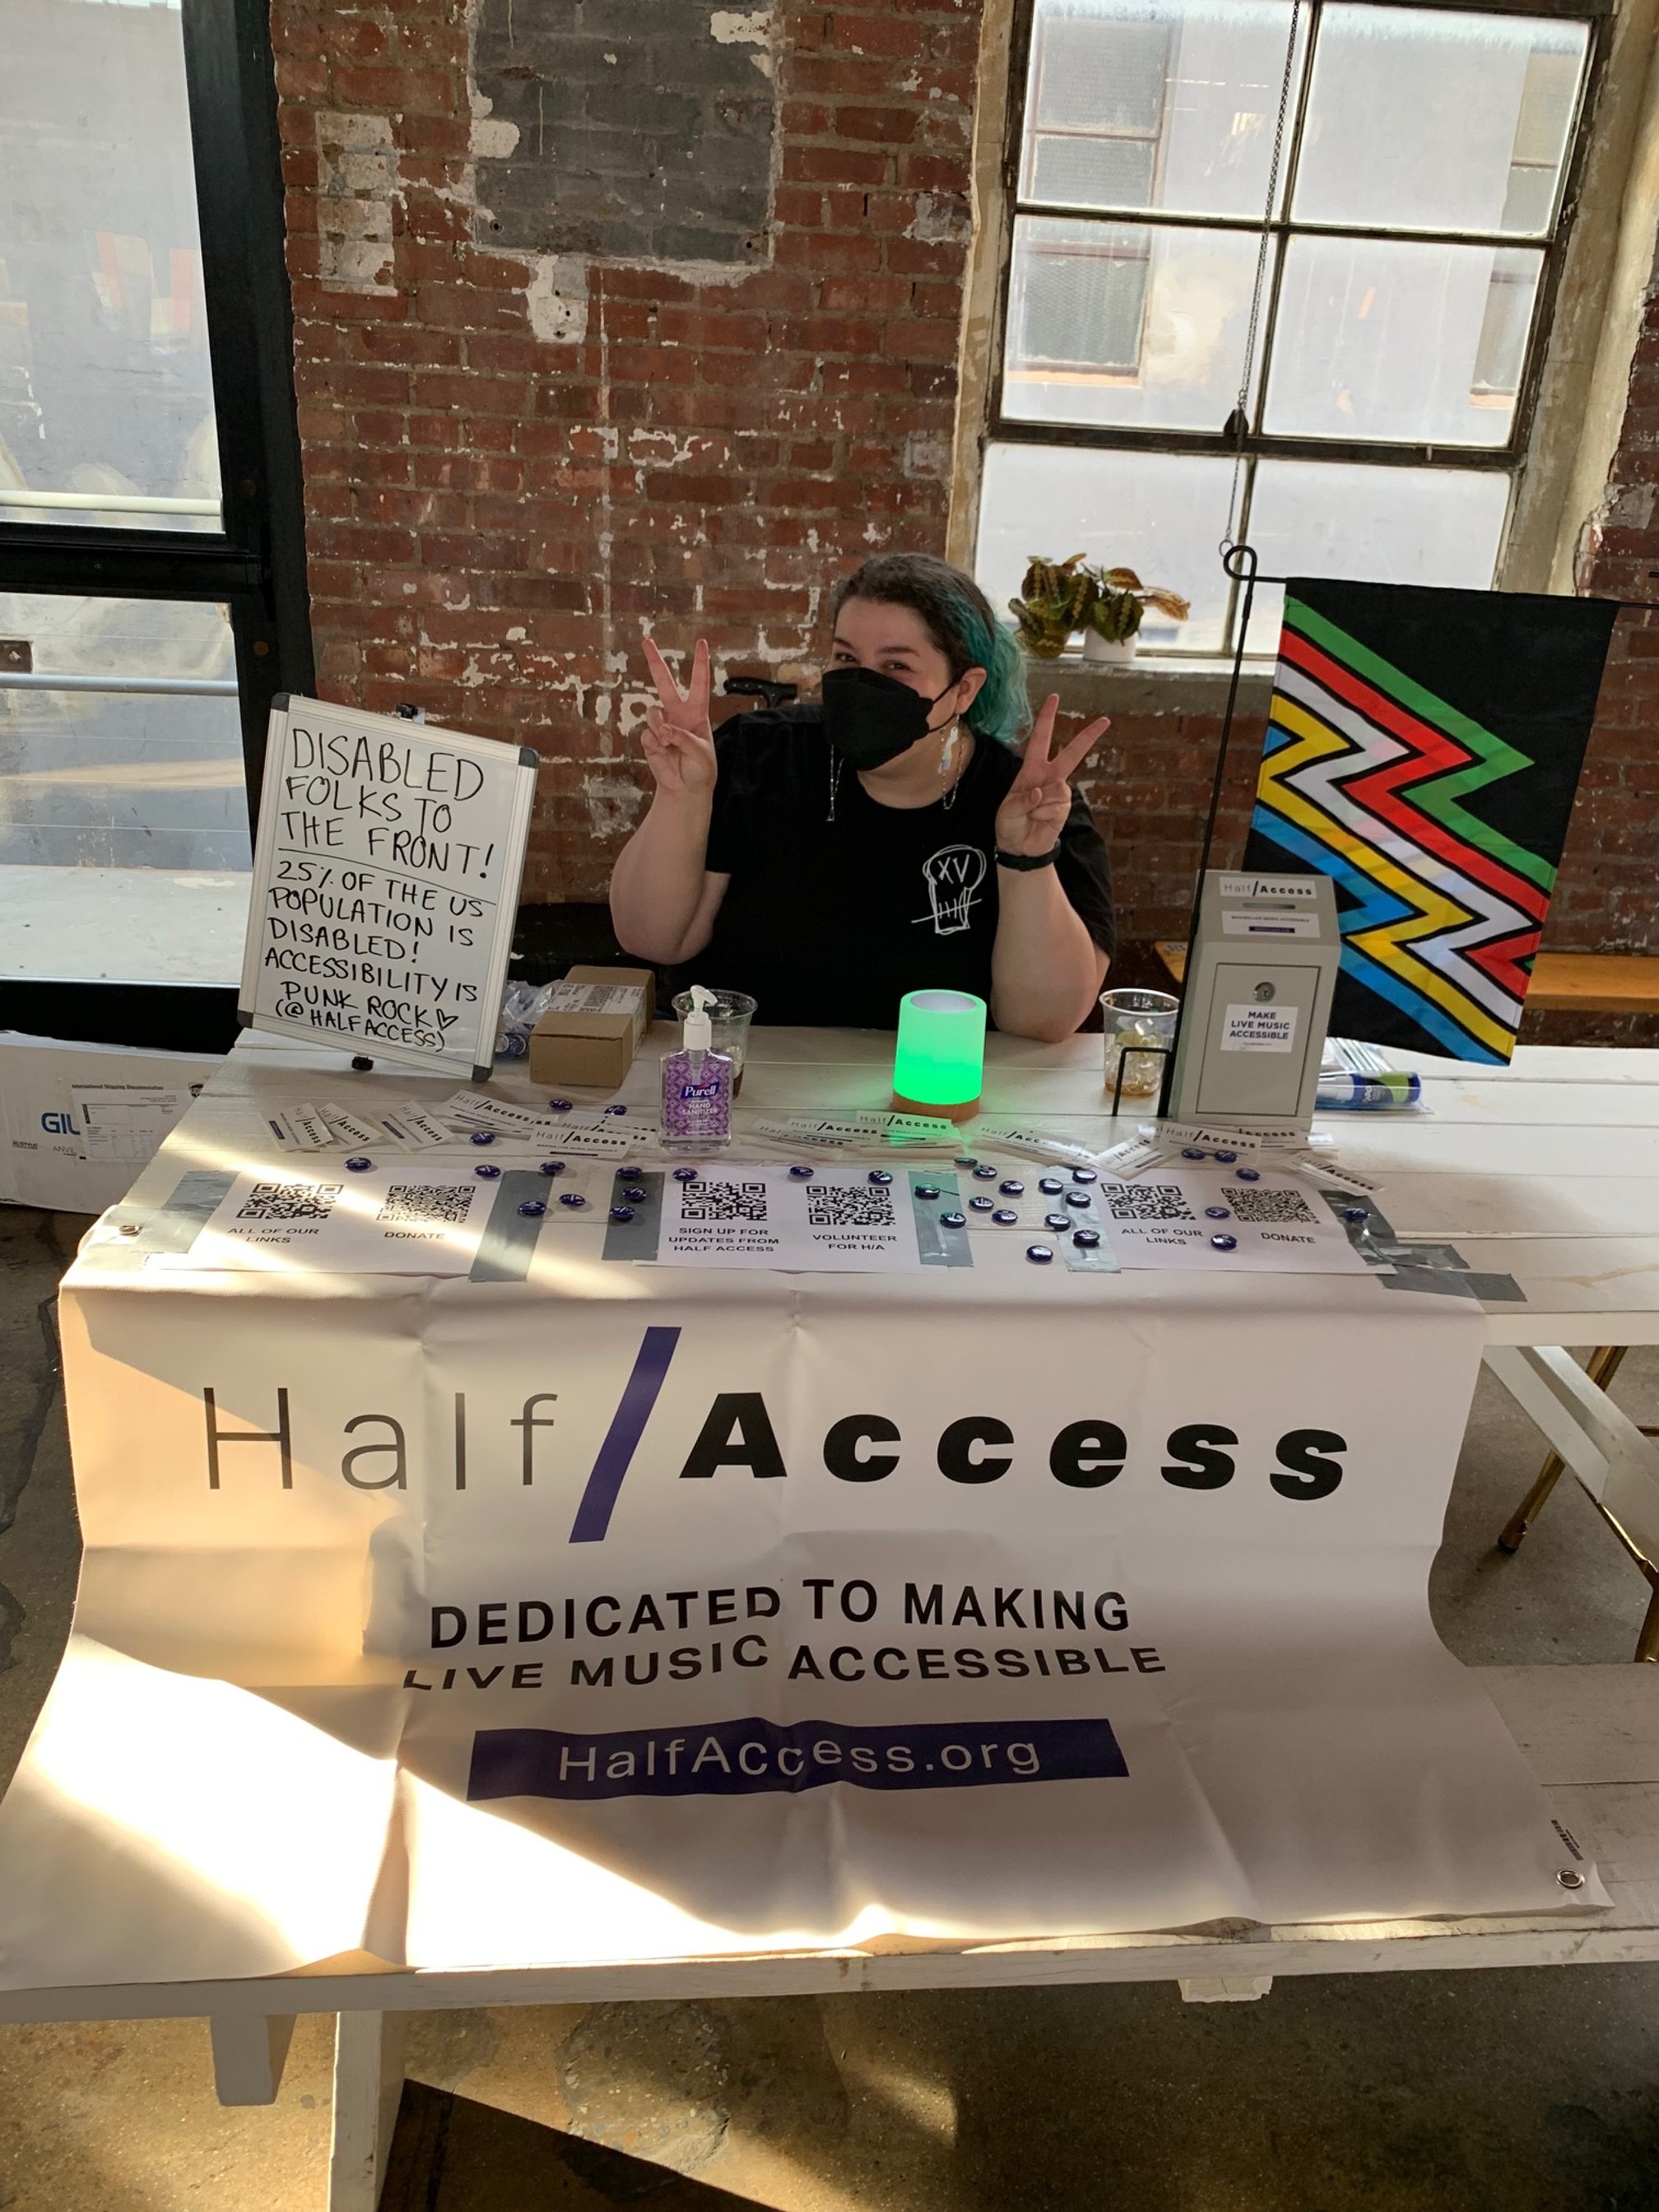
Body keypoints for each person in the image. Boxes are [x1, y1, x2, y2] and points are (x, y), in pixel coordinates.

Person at [608, 551, 1115, 1040]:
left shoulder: (1027, 804)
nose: (863, 684)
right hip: (742, 1079)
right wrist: (682, 798)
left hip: (931, 1094)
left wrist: (1026, 859)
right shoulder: (758, 754)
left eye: (896, 666)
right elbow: (656, 939)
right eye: (847, 657)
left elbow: (1041, 1023)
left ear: (964, 690)